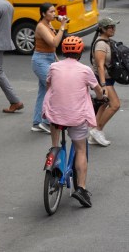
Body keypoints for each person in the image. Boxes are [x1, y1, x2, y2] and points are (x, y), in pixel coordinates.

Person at [43, 36, 105, 208]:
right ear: (79, 53)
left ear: (63, 51)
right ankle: (82, 189)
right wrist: (102, 97)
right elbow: (98, 91)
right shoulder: (85, 70)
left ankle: (54, 151)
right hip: (76, 117)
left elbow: (49, 85)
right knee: (80, 149)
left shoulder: (53, 67)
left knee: (55, 133)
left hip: (55, 115)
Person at [31, 3, 68, 133]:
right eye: (51, 12)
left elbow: (52, 48)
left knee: (43, 91)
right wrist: (62, 27)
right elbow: (54, 43)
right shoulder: (41, 26)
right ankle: (46, 122)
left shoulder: (48, 24)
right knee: (53, 89)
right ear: (43, 13)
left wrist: (57, 61)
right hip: (40, 61)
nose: (54, 14)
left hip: (49, 59)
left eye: (54, 11)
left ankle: (37, 122)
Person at [89, 17, 121, 146]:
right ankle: (97, 130)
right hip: (103, 80)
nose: (113, 29)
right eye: (110, 27)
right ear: (102, 29)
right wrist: (102, 85)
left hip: (108, 79)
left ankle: (94, 134)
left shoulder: (106, 41)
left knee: (103, 104)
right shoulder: (101, 44)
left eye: (114, 26)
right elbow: (100, 66)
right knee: (115, 105)